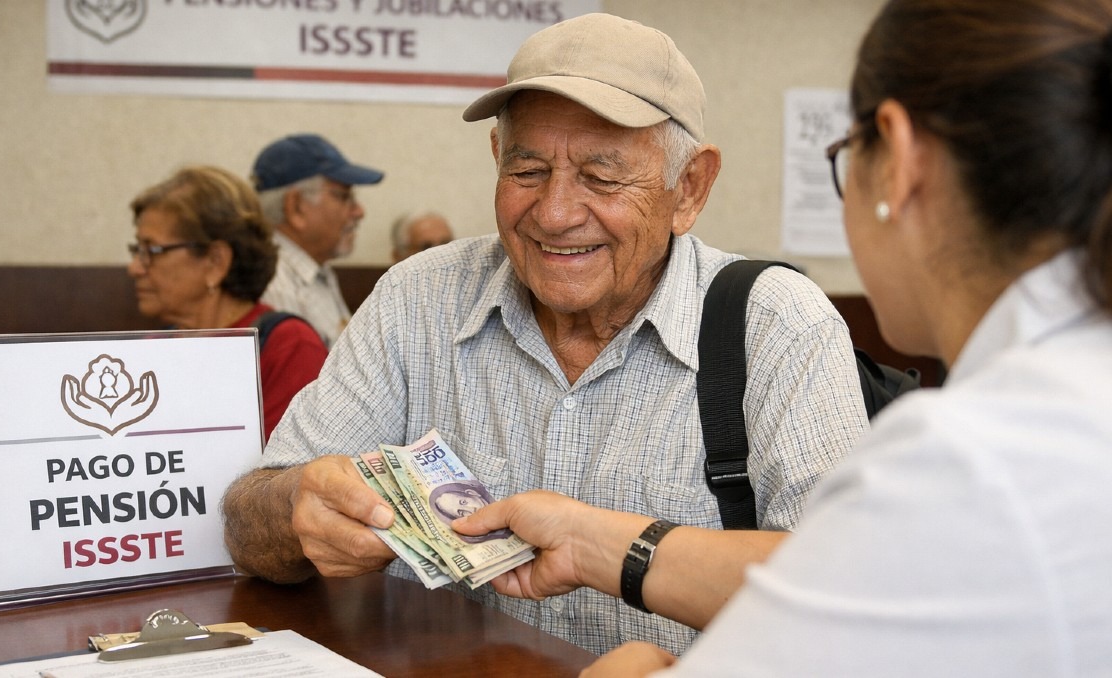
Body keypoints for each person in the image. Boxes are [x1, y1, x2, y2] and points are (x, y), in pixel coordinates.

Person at [453, 0, 1112, 674]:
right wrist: (594, 542)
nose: (559, 213)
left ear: (900, 160)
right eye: (529, 170)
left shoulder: (963, 462)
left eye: (844, 155)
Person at [222, 13, 868, 656]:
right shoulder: (417, 299)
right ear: (498, 157)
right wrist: (294, 509)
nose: (555, 214)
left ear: (689, 188)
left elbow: (859, 597)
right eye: (528, 171)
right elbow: (247, 521)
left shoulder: (777, 326)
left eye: (602, 176)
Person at [129, 165, 328, 442]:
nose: (135, 268)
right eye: (137, 250)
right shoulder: (151, 347)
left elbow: (284, 474)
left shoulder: (288, 345)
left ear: (215, 261)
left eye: (151, 251)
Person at [252, 134, 384, 347]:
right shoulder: (275, 284)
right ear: (295, 207)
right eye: (343, 196)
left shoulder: (315, 271)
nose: (359, 212)